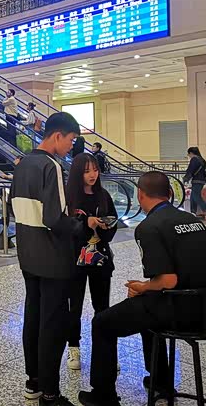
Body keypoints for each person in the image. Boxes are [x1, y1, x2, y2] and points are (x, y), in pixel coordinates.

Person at [78, 171, 206, 406]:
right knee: (145, 308)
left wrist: (143, 286)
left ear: (140, 194)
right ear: (170, 193)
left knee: (102, 323)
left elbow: (168, 280)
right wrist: (148, 289)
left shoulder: (149, 227)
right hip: (204, 309)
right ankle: (161, 381)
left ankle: (103, 395)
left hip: (177, 311)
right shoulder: (192, 220)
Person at [10, 112, 90, 406]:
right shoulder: (50, 165)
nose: (71, 146)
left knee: (32, 318)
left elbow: (16, 208)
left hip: (28, 254)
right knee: (52, 324)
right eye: (71, 140)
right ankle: (50, 393)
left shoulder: (22, 164)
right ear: (58, 135)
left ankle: (33, 382)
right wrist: (80, 225)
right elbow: (54, 218)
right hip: (52, 258)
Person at [65, 152, 117, 372]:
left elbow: (113, 224)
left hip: (100, 258)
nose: (92, 175)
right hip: (74, 260)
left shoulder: (103, 195)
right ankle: (74, 348)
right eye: (87, 171)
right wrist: (86, 224)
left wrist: (105, 226)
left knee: (102, 307)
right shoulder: (68, 198)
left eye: (95, 170)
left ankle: (104, 352)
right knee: (74, 307)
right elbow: (65, 229)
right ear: (78, 173)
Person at [183, 146, 206, 221]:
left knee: (196, 196)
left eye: (188, 154)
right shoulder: (202, 160)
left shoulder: (194, 159)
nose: (189, 156)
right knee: (193, 196)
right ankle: (193, 212)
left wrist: (185, 179)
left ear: (191, 153)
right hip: (201, 180)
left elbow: (191, 170)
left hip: (196, 180)